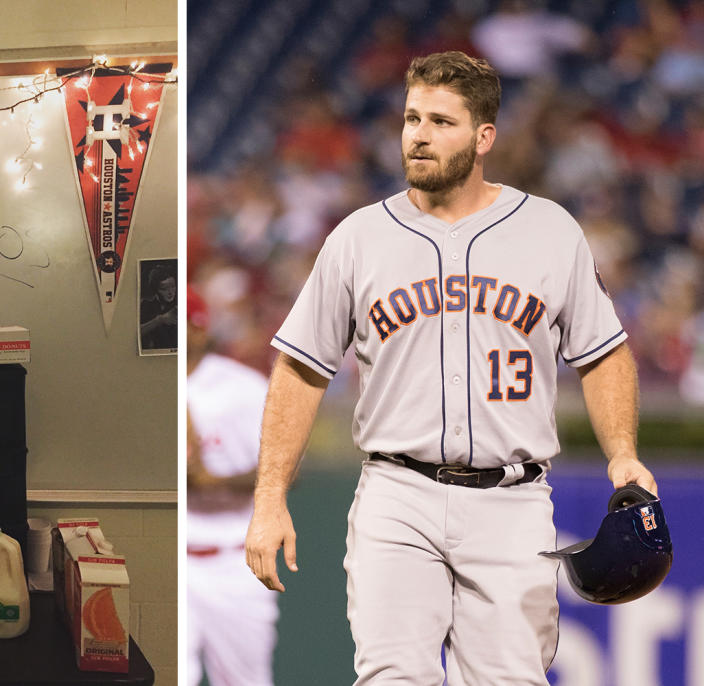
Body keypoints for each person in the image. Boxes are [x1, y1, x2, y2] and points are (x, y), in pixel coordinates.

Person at [244, 51, 659, 685]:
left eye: (442, 121)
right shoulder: (358, 237)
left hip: (512, 500)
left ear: (484, 136)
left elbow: (603, 354)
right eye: (412, 118)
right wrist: (270, 497)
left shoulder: (550, 231)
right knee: (391, 677)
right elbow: (300, 369)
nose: (419, 134)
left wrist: (622, 453)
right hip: (396, 492)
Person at [185, 287, 278, 686]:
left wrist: (214, 482)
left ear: (199, 328)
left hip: (233, 560)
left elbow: (287, 470)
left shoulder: (243, 388)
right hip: (179, 558)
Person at [139, 264, 176, 350]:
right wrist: (160, 320)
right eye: (164, 289)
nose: (170, 292)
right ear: (155, 289)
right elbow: (137, 333)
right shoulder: (147, 306)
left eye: (173, 287)